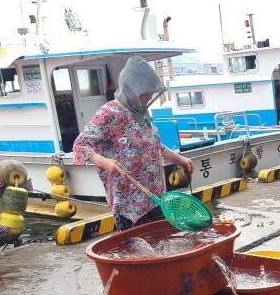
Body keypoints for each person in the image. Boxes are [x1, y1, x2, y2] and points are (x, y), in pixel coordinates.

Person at [73, 56, 195, 231]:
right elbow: (81, 145)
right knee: (137, 250)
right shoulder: (110, 113)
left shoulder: (141, 112)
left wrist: (179, 159)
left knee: (162, 244)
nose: (148, 96)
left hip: (157, 198)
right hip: (130, 204)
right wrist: (105, 162)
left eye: (150, 92)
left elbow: (154, 146)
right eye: (143, 93)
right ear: (130, 89)